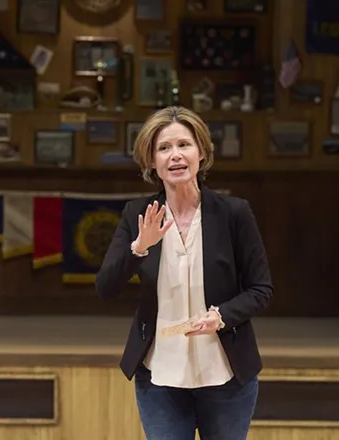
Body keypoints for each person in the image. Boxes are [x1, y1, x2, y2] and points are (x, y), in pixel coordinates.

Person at [95, 106, 273, 440]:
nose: (175, 156)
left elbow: (260, 289)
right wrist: (140, 247)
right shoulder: (137, 214)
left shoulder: (234, 213)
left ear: (201, 153)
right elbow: (105, 288)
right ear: (151, 161)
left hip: (226, 373)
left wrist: (222, 316)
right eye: (164, 148)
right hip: (160, 375)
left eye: (184, 145)